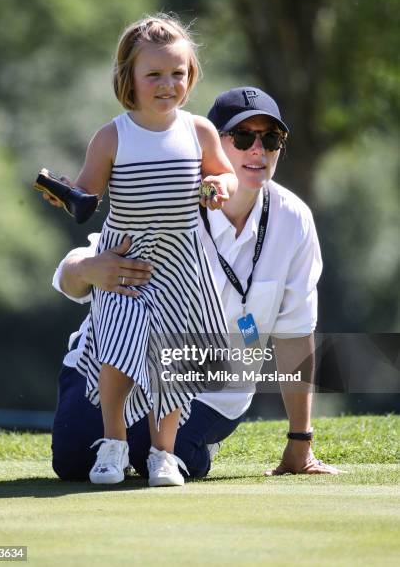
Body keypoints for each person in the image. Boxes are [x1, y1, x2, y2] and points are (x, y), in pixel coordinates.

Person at [51, 86, 340, 481]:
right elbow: (69, 276)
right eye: (242, 137)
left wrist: (300, 441)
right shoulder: (169, 194)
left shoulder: (294, 218)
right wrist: (88, 270)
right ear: (212, 145)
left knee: (165, 453)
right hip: (117, 364)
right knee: (72, 463)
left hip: (215, 387)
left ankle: (175, 448)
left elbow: (294, 332)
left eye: (270, 138)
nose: (258, 149)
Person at [45, 14, 237, 487]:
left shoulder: (198, 131)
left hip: (181, 263)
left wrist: (218, 185)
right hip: (124, 263)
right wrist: (67, 193)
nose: (167, 84)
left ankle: (163, 454)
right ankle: (113, 444)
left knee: (172, 357)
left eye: (178, 73)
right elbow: (86, 197)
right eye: (154, 74)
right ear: (128, 78)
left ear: (190, 77)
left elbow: (224, 173)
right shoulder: (112, 136)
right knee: (119, 351)